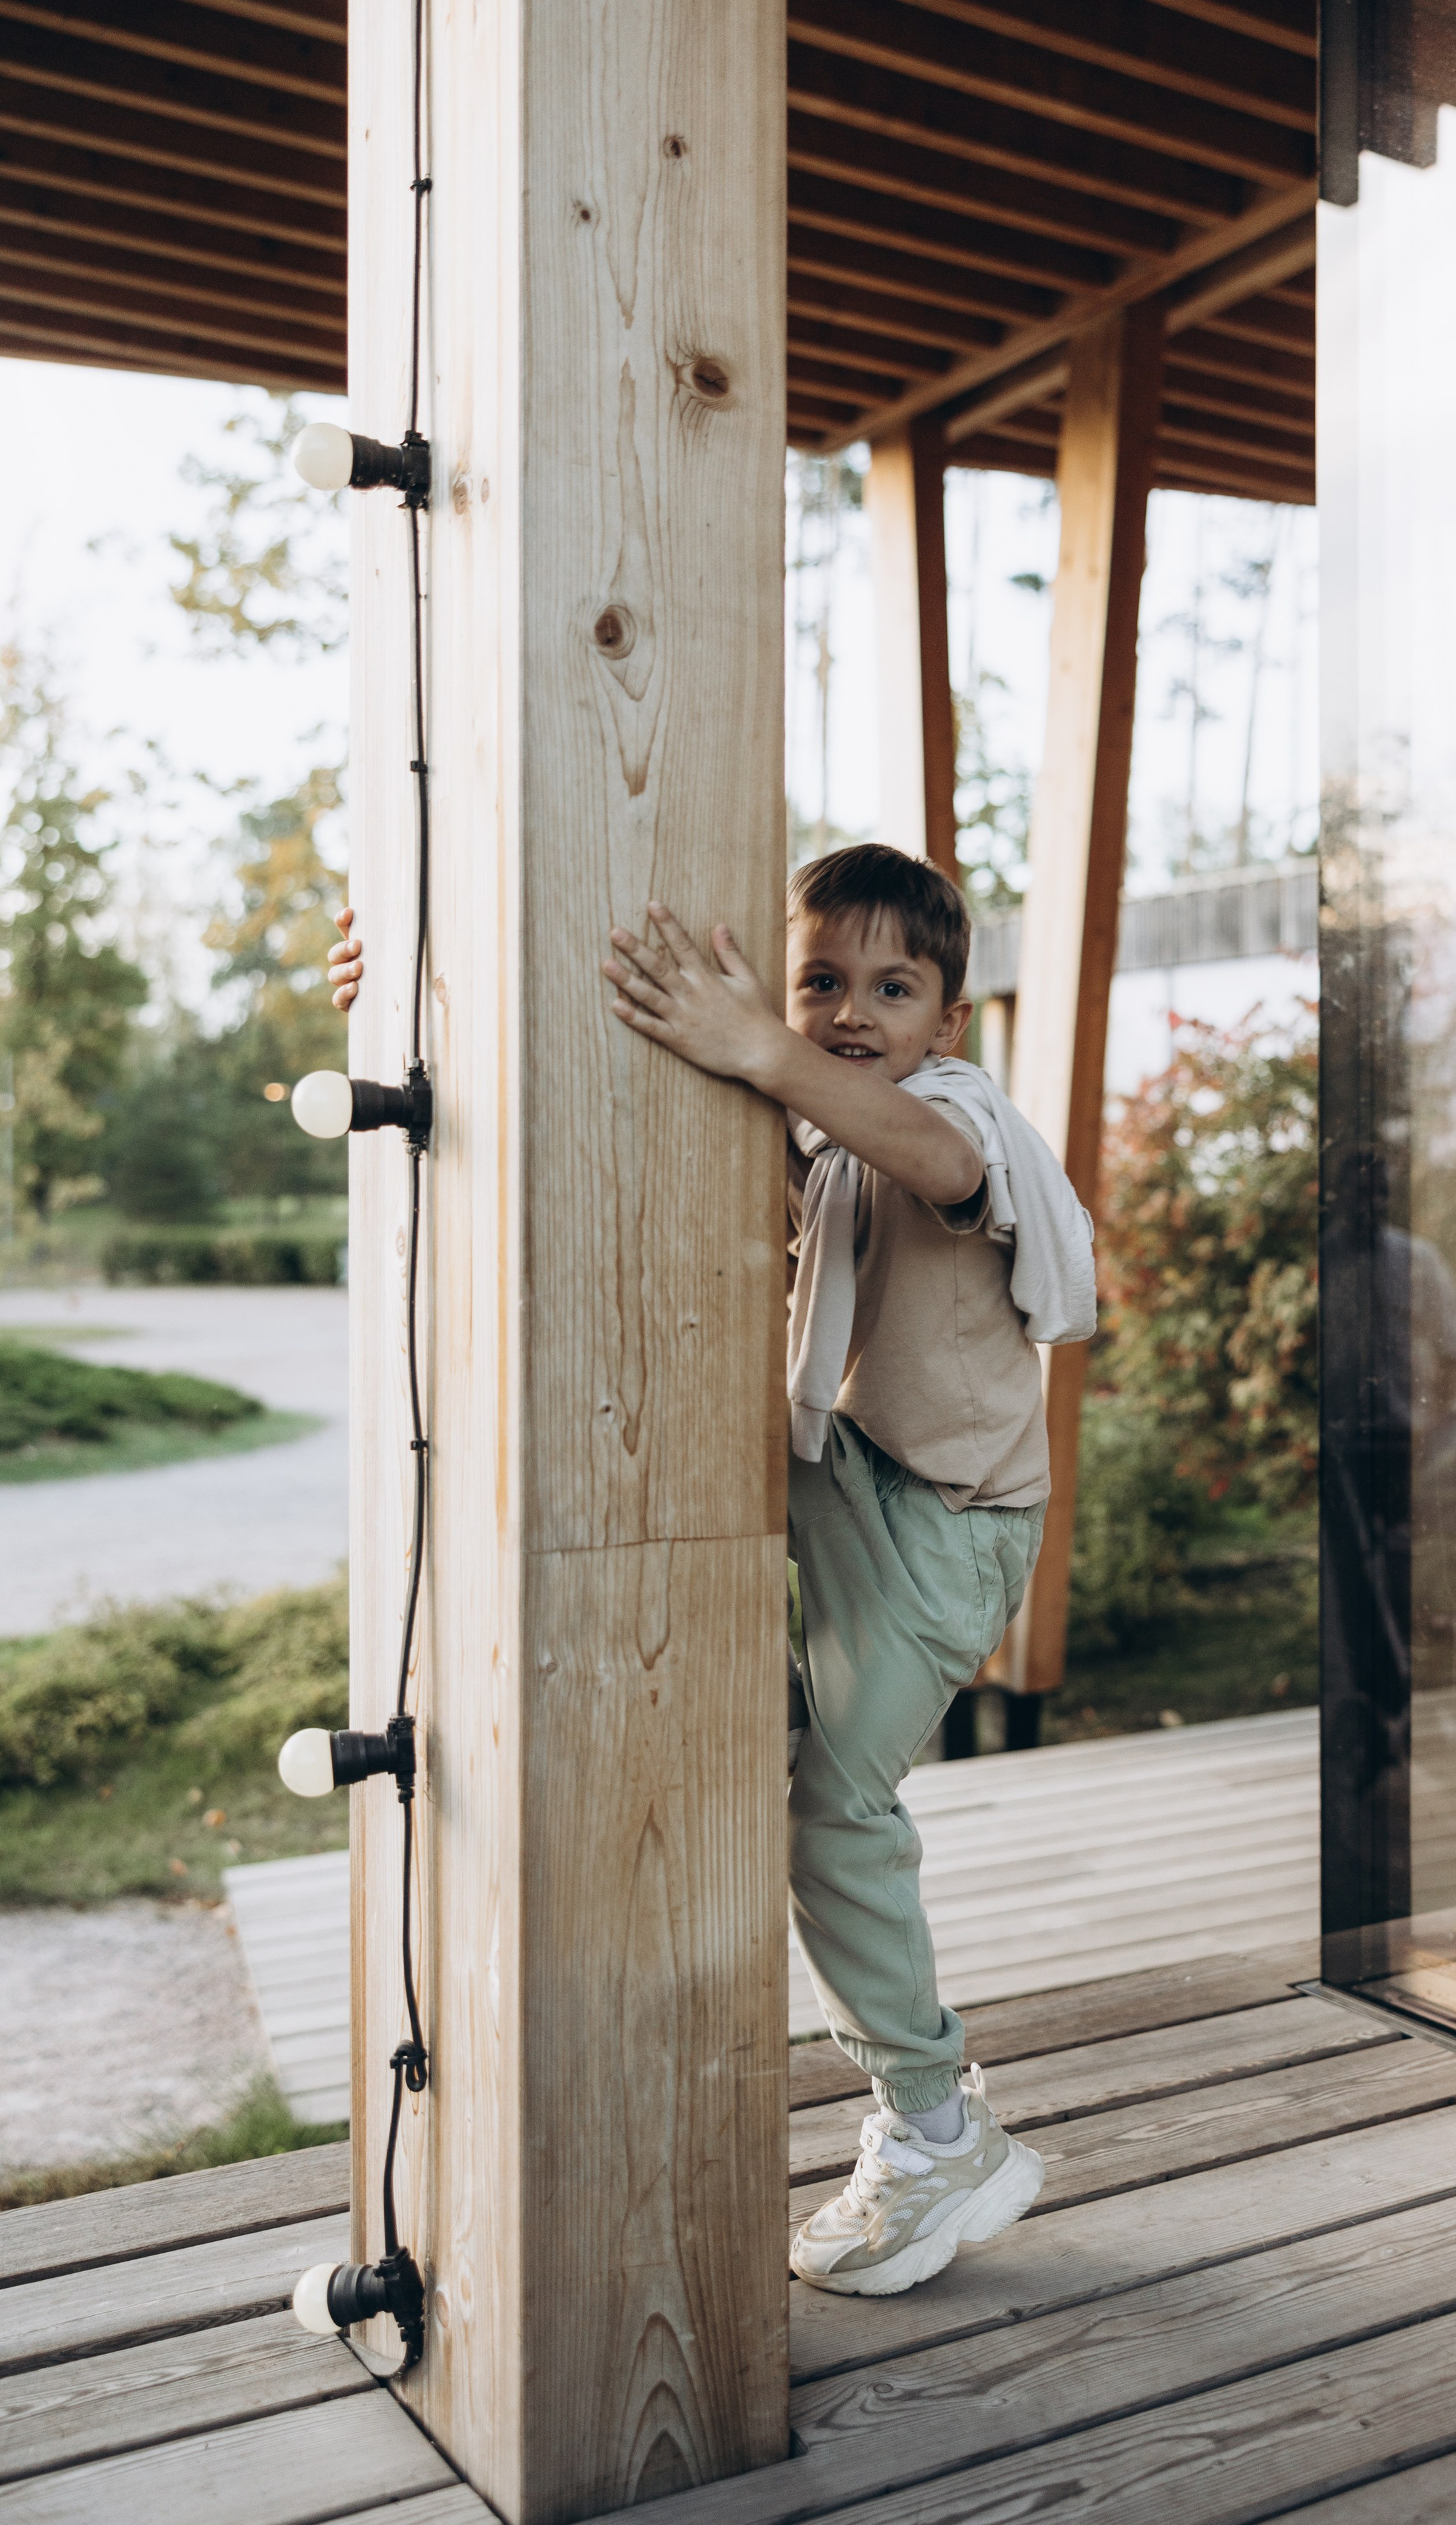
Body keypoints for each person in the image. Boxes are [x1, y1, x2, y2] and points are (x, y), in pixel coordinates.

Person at [327, 843, 1096, 2299]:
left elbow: (931, 1163)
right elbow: (605, 1075)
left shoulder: (944, 1110)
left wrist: (760, 1041)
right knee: (772, 1774)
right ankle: (913, 2119)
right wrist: (412, 1007)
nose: (852, 1011)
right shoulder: (806, 1130)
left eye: (893, 987)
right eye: (820, 982)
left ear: (949, 1014)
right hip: (842, 1492)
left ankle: (937, 2128)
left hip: (944, 1525)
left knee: (831, 1804)